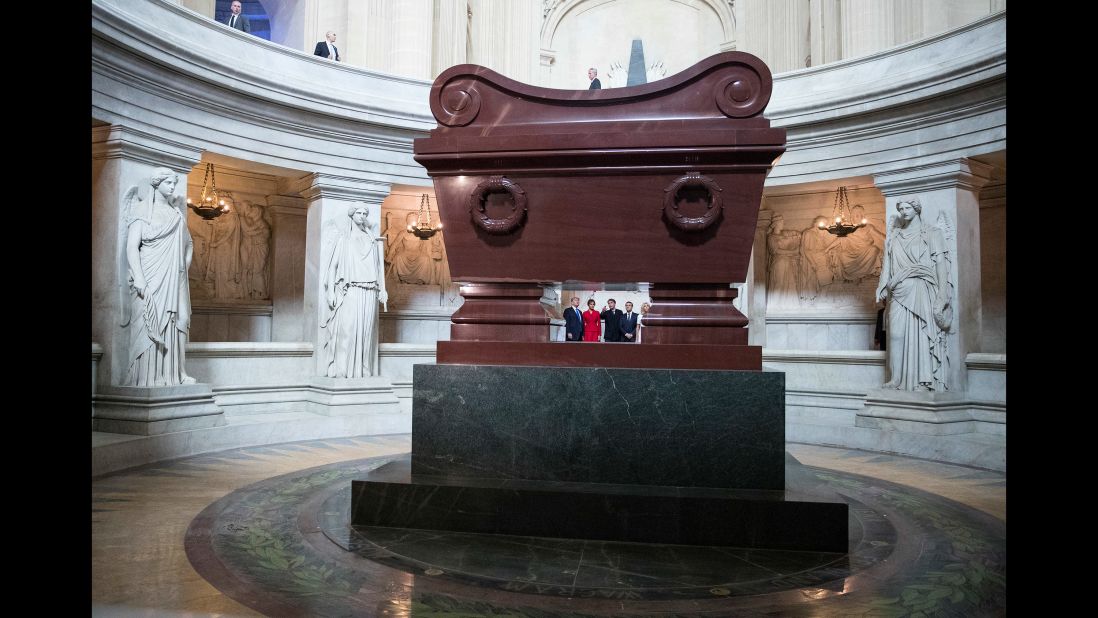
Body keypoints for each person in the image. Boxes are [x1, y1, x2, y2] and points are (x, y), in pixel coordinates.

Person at [121, 168, 196, 387]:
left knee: (182, 320)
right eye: (168, 182)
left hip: (176, 276)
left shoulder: (177, 214)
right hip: (151, 274)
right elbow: (132, 247)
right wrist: (140, 278)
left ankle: (178, 372)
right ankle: (149, 376)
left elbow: (189, 244)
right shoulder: (143, 211)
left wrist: (183, 265)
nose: (173, 187)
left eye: (174, 183)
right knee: (151, 322)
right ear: (157, 184)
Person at [875, 198, 952, 391]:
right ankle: (896, 378)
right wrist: (882, 285)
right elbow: (888, 265)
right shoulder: (895, 236)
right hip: (899, 290)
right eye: (900, 208)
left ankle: (923, 381)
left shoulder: (933, 233)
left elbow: (940, 265)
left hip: (921, 288)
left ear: (917, 209)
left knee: (921, 334)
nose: (904, 211)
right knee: (896, 335)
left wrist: (942, 295)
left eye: (907, 207)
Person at [320, 204, 389, 378]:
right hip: (350, 290)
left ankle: (362, 370)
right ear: (352, 215)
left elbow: (379, 267)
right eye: (358, 213)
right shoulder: (345, 238)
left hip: (369, 290)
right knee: (347, 330)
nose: (362, 215)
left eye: (365, 213)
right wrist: (330, 292)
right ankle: (343, 370)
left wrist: (382, 289)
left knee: (366, 333)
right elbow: (333, 267)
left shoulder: (372, 239)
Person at [766, 214, 802, 309]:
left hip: (787, 262)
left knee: (790, 283)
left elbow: (795, 233)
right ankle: (774, 306)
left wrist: (797, 234)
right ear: (776, 224)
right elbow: (775, 251)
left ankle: (789, 306)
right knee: (779, 283)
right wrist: (792, 252)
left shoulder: (784, 234)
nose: (783, 224)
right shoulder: (771, 237)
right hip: (779, 262)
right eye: (781, 222)